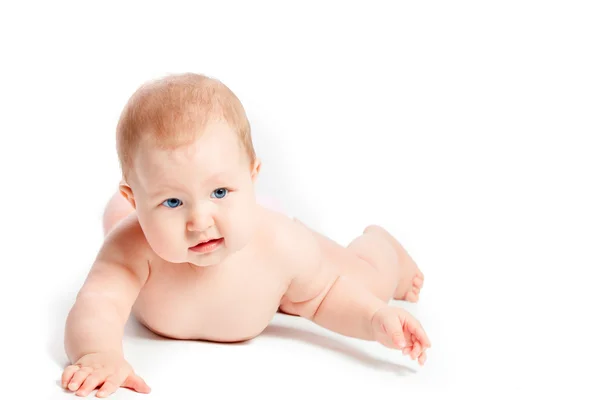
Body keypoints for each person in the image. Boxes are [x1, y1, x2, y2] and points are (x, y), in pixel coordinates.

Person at [61, 73, 430, 398]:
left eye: (219, 192)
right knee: (119, 224)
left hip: (261, 235)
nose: (199, 221)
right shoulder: (132, 248)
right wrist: (98, 354)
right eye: (173, 201)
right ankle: (137, 204)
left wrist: (373, 318)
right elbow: (98, 304)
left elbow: (325, 295)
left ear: (252, 175)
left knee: (368, 282)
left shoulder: (280, 243)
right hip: (159, 220)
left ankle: (383, 246)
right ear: (136, 199)